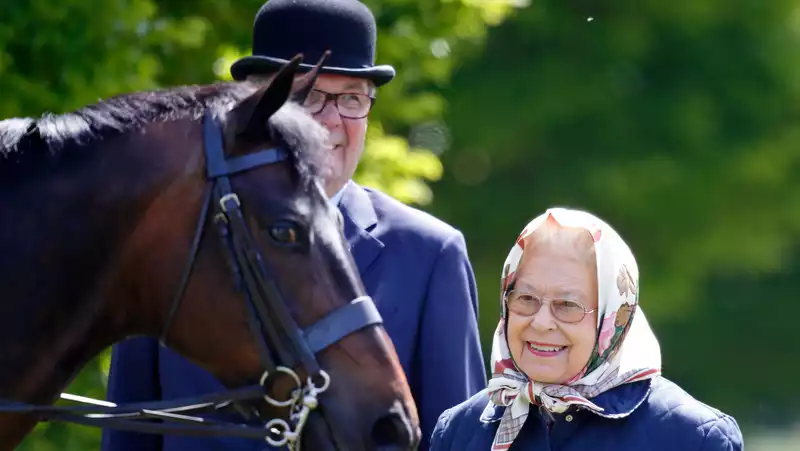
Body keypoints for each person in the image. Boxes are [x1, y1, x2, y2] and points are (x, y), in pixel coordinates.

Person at [100, 0, 486, 450]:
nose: (329, 119)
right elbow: (128, 434)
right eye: (306, 96)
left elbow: (457, 441)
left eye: (351, 98)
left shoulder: (430, 255)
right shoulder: (163, 247)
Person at [430, 207, 744, 451]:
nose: (540, 322)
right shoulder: (462, 429)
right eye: (525, 298)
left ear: (612, 319)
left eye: (567, 305)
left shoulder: (692, 437)